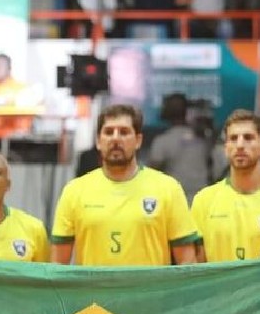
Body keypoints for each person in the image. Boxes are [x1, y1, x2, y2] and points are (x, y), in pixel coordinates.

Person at [51, 104, 200, 266]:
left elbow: (187, 263)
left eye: (124, 132)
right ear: (98, 141)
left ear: (138, 141)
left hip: (148, 284)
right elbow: (58, 268)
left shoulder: (168, 189)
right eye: (109, 132)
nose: (115, 138)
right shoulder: (74, 191)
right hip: (95, 285)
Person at [191, 109, 260, 262]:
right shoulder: (203, 200)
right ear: (226, 148)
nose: (240, 145)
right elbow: (198, 267)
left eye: (248, 138)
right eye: (233, 138)